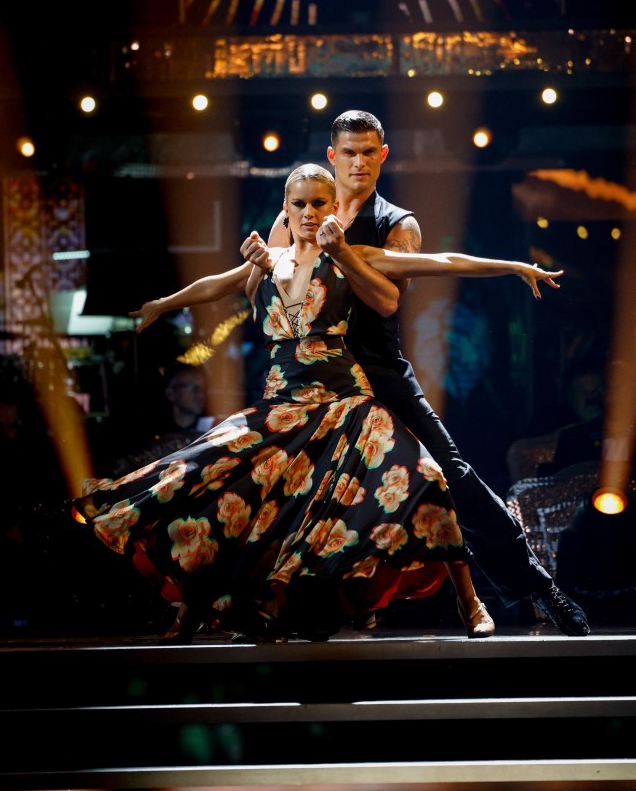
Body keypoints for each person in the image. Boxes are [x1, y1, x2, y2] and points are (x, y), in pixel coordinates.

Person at [129, 111, 590, 638]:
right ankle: (254, 601)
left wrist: (512, 266)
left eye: (369, 152)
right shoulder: (294, 214)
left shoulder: (394, 225)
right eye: (349, 152)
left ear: (383, 156)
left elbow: (396, 296)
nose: (360, 162)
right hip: (303, 379)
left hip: (374, 371)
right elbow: (255, 289)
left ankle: (529, 586)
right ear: (332, 157)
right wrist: (226, 280)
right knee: (275, 484)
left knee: (449, 474)